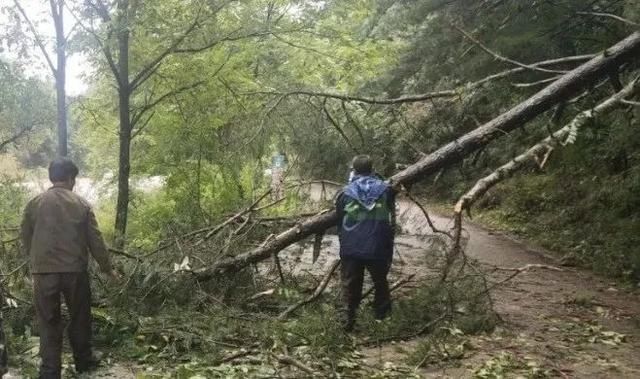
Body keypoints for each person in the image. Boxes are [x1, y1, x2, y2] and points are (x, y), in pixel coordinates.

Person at [20, 158, 118, 378]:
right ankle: (84, 362)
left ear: (52, 178)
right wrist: (107, 268)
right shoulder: (81, 204)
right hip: (74, 271)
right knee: (80, 317)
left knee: (48, 321)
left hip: (43, 272)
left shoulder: (34, 203)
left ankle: (50, 371)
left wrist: (36, 261)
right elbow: (96, 241)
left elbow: (25, 237)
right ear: (71, 179)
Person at [335, 155, 396, 332]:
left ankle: (347, 323)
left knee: (350, 285)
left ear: (353, 170)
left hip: (351, 247)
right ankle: (383, 321)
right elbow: (391, 218)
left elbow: (339, 221)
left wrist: (343, 242)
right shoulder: (386, 190)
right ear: (372, 169)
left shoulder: (344, 192)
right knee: (380, 283)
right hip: (377, 246)